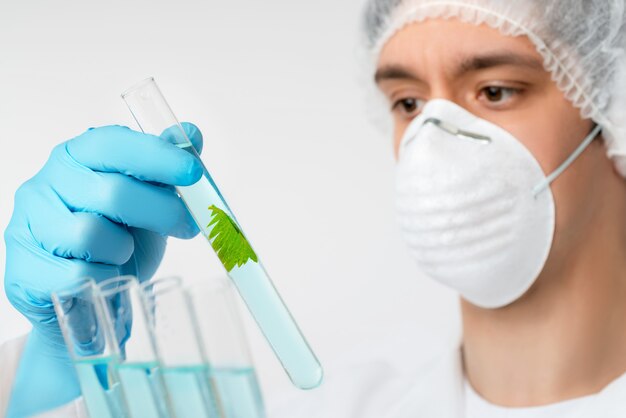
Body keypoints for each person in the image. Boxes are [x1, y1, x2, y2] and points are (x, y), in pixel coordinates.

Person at [3, 0, 626, 416]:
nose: (433, 138)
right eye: (408, 102)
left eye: (494, 90)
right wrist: (56, 367)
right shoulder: (335, 406)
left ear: (613, 111)